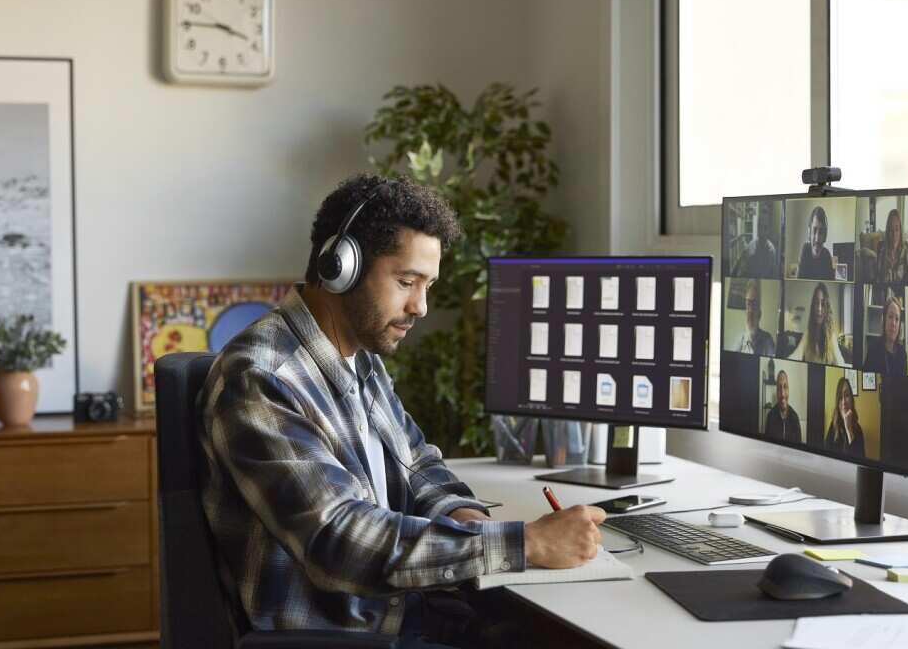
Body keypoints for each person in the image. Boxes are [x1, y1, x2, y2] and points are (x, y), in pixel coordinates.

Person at [197, 175, 604, 648]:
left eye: (427, 285)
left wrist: (469, 519)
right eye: (406, 281)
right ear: (339, 268)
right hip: (342, 635)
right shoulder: (263, 378)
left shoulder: (358, 358)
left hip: (398, 611)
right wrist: (524, 543)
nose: (421, 306)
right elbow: (339, 540)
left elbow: (418, 465)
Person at [787, 282, 848, 366]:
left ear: (827, 308)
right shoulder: (808, 333)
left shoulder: (831, 336)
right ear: (813, 306)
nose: (819, 308)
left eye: (823, 304)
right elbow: (796, 355)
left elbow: (840, 363)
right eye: (816, 303)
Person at [863, 295, 908, 376]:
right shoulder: (873, 350)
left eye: (897, 319)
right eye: (890, 317)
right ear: (884, 320)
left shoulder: (902, 353)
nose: (893, 323)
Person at [825, 376, 866, 457]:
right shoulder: (832, 427)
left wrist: (848, 429)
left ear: (851, 399)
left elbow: (859, 461)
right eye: (840, 397)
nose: (844, 402)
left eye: (847, 395)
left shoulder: (858, 430)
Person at [732, 279, 775, 355]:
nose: (750, 311)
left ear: (760, 314)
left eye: (754, 304)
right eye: (748, 304)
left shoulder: (768, 340)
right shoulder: (739, 340)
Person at [874, 209, 908, 284]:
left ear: (900, 231)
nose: (894, 234)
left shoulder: (905, 250)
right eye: (891, 230)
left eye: (897, 229)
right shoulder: (881, 249)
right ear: (887, 231)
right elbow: (877, 277)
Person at [738, 202, 780, 278]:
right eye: (760, 226)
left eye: (765, 228)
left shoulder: (772, 251)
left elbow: (774, 276)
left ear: (769, 230)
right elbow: (741, 274)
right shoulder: (749, 248)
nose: (762, 231)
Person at [797, 205, 835, 280]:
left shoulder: (827, 255)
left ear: (825, 235)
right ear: (809, 233)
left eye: (821, 232)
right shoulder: (805, 250)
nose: (817, 239)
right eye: (814, 231)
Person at [764, 370, 802, 443]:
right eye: (779, 388)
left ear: (789, 390)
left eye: (785, 387)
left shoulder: (795, 418)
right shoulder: (770, 417)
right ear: (776, 391)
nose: (782, 394)